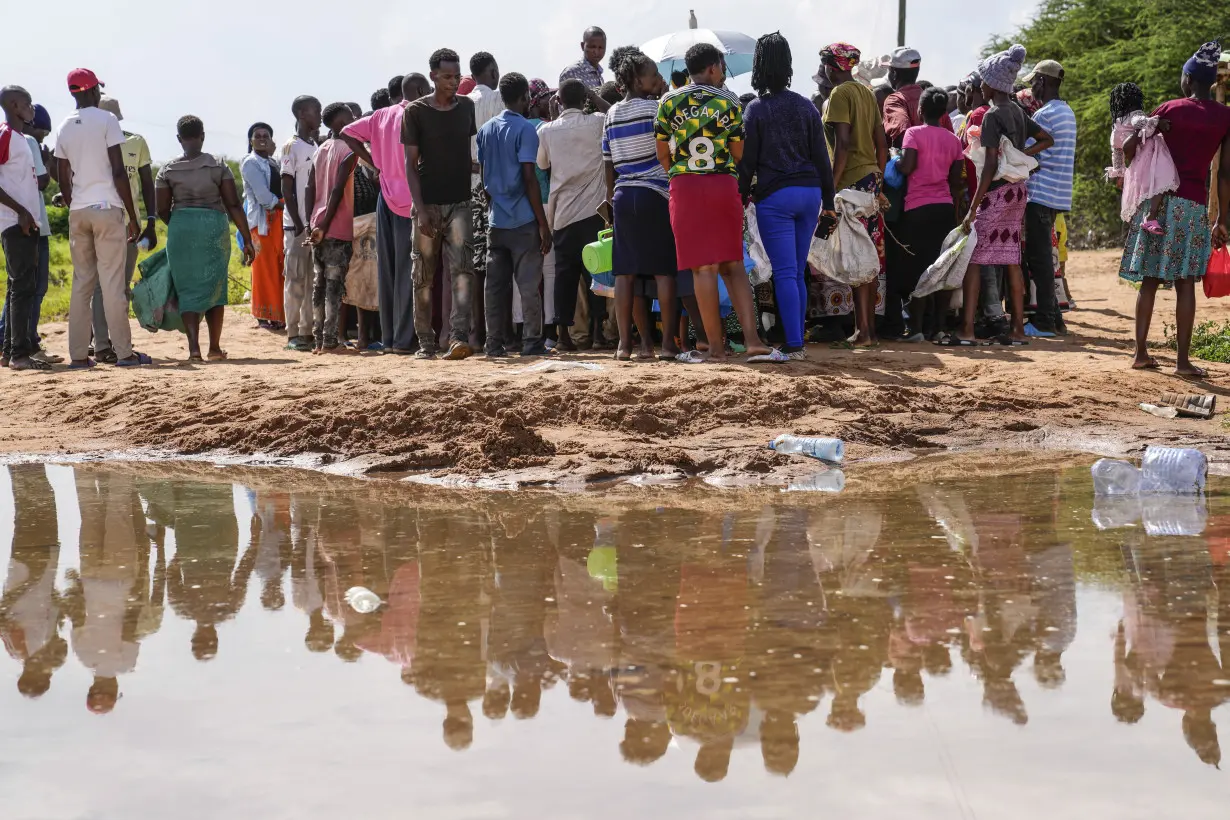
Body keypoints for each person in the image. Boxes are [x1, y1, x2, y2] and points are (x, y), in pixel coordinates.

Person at [1120, 41, 1230, 379]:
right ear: (1210, 82)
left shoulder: (1170, 109)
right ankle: (1182, 363)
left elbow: (1130, 149)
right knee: (1185, 283)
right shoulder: (1225, 117)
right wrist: (1222, 218)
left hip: (1161, 202)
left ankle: (1141, 353)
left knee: (1150, 281)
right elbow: (1225, 172)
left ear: (1188, 78)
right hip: (1195, 206)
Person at [656, 43, 771, 363]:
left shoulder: (668, 101)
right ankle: (752, 341)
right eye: (720, 66)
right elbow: (738, 153)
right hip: (722, 184)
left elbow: (662, 153)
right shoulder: (730, 101)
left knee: (702, 269)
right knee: (733, 266)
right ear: (711, 68)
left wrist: (681, 176)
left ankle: (716, 348)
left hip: (685, 187)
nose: (721, 72)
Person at [739, 32, 836, 361]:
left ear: (758, 66)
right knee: (796, 271)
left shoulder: (755, 110)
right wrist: (831, 204)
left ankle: (794, 345)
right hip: (810, 196)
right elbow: (823, 159)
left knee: (784, 273)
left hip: (775, 199)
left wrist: (739, 198)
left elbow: (747, 163)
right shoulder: (806, 106)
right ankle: (797, 342)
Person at [955, 45, 1053, 346]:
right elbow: (1046, 139)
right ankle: (1018, 330)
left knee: (974, 258)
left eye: (983, 80)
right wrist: (1022, 154)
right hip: (1017, 193)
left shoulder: (992, 116)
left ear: (992, 84)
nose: (980, 85)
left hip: (996, 192)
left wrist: (972, 207)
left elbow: (989, 168)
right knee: (1011, 258)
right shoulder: (1018, 112)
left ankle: (968, 330)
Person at [53, 69, 148, 368]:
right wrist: (133, 216)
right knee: (112, 284)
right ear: (93, 91)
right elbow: (118, 171)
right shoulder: (107, 120)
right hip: (107, 208)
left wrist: (73, 205)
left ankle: (79, 357)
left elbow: (62, 177)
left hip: (79, 211)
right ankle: (123, 354)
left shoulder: (64, 126)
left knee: (82, 284)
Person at [603, 52, 685, 360]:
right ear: (638, 80)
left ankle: (626, 345)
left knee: (626, 274)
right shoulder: (656, 108)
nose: (658, 79)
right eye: (653, 75)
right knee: (664, 272)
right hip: (655, 195)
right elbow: (671, 151)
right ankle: (667, 345)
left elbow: (608, 163)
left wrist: (611, 201)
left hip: (624, 196)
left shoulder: (611, 114)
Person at [155, 115, 256, 361]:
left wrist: (181, 225)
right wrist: (247, 239)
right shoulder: (218, 166)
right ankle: (214, 348)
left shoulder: (167, 170)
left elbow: (161, 210)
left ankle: (193, 349)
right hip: (213, 227)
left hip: (181, 227)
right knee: (215, 286)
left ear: (179, 139)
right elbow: (233, 204)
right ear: (202, 136)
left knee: (187, 288)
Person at [342, 74, 430, 354]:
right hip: (410, 199)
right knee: (407, 270)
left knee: (388, 269)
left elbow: (347, 132)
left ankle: (391, 339)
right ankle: (404, 340)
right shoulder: (418, 114)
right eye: (427, 89)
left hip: (385, 196)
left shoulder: (380, 115)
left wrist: (373, 162)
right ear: (418, 90)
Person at [403, 49, 479, 359]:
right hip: (429, 205)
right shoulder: (416, 112)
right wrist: (420, 209)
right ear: (433, 75)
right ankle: (426, 343)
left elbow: (464, 154)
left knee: (463, 271)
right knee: (423, 276)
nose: (452, 82)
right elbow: (410, 164)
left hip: (460, 202)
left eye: (456, 76)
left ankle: (459, 337)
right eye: (447, 76)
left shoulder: (466, 109)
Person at [477, 72, 552, 357]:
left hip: (497, 221)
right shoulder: (525, 130)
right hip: (523, 221)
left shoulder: (485, 130)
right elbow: (529, 178)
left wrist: (493, 206)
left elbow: (484, 177)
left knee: (494, 288)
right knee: (529, 286)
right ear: (525, 98)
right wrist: (543, 224)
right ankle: (532, 343)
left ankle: (494, 344)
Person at [821, 42, 888, 347]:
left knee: (856, 253)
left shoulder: (839, 94)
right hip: (871, 179)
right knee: (869, 252)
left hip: (850, 182)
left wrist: (832, 186)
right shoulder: (866, 92)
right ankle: (868, 329)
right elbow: (881, 141)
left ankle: (862, 330)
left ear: (831, 68)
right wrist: (880, 180)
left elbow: (843, 144)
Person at [538, 79, 606, 352]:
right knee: (599, 274)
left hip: (564, 215)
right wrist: (595, 96)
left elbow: (543, 164)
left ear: (559, 102)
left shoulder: (546, 130)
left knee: (565, 276)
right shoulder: (598, 121)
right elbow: (614, 112)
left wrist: (554, 121)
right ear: (585, 100)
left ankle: (564, 335)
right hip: (594, 211)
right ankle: (600, 333)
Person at [88, 95, 157, 364]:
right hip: (98, 223)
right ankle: (102, 345)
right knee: (98, 287)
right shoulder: (88, 144)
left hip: (131, 225)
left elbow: (147, 183)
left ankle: (119, 343)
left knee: (121, 287)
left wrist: (150, 222)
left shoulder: (135, 142)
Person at [898, 86, 965, 342]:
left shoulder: (912, 133)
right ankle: (938, 328)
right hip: (945, 209)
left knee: (918, 268)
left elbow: (907, 167)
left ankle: (915, 329)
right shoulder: (953, 139)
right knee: (940, 267)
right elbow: (956, 181)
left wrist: (896, 161)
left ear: (920, 110)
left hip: (916, 208)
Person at [1022, 59, 1077, 338]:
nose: (1032, 87)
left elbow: (1028, 155)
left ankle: (1044, 321)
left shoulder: (1044, 116)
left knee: (1040, 259)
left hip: (1040, 193)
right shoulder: (1067, 111)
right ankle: (1055, 317)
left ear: (1042, 82)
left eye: (1033, 82)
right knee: (1046, 257)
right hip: (1057, 194)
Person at [0, 85, 49, 371]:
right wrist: (21, 212)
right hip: (14, 223)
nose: (32, 109)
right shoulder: (6, 135)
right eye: (28, 104)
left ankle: (9, 353)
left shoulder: (20, 138)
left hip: (26, 222)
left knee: (18, 285)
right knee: (23, 287)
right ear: (16, 105)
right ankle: (19, 354)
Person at [305, 103, 359, 353]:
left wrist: (311, 223)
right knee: (334, 286)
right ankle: (329, 341)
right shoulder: (349, 150)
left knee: (320, 284)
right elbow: (337, 190)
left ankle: (318, 339)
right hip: (335, 227)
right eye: (350, 117)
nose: (355, 119)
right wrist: (326, 224)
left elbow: (310, 188)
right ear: (339, 123)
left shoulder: (321, 149)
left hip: (316, 226)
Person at [1107, 82, 1179, 232]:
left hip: (1136, 163)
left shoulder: (1116, 127)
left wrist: (1119, 172)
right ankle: (1151, 217)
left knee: (1141, 192)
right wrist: (1159, 122)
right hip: (1152, 153)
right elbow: (1143, 123)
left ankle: (1139, 225)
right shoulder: (1136, 115)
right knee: (1162, 180)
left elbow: (1117, 152)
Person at [280, 95, 321, 352]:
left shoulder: (315, 145)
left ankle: (308, 331)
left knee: (311, 280)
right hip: (296, 226)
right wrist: (297, 222)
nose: (319, 116)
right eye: (315, 111)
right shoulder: (290, 147)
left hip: (314, 225)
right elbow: (286, 187)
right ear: (302, 115)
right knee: (295, 279)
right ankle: (292, 333)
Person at [468, 52, 504, 349]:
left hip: (467, 190)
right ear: (492, 71)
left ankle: (476, 332)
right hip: (492, 189)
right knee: (494, 262)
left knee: (474, 264)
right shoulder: (496, 100)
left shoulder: (464, 102)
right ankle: (494, 333)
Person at [241, 122, 285, 330]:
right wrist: (288, 206)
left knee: (279, 267)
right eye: (257, 135)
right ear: (250, 140)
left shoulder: (273, 162)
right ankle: (263, 314)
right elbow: (264, 197)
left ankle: (279, 314)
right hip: (263, 221)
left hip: (279, 220)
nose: (262, 138)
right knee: (264, 268)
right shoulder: (251, 163)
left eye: (266, 135)